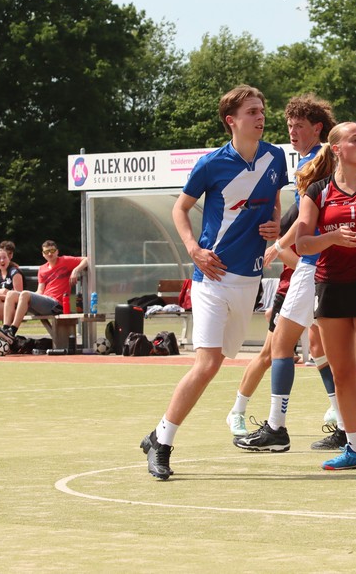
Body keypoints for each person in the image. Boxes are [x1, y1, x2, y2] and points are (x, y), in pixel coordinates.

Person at [141, 84, 288, 480]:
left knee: (219, 361)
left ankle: (156, 436)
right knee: (206, 364)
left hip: (249, 279)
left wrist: (275, 224)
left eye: (262, 110)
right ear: (231, 120)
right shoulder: (210, 164)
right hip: (212, 278)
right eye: (252, 111)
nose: (260, 117)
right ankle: (162, 443)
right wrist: (193, 249)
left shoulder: (275, 157)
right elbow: (180, 209)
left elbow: (274, 201)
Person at [232, 93, 338, 453]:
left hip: (312, 265)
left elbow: (305, 217)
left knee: (281, 346)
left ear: (317, 128)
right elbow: (301, 214)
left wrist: (278, 243)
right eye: (289, 125)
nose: (292, 132)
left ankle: (275, 427)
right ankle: (348, 427)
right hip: (319, 264)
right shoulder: (317, 160)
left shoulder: (319, 160)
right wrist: (280, 233)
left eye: (299, 126)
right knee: (324, 347)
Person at [293, 121, 356, 474]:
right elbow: (302, 244)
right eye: (355, 139)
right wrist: (331, 238)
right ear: (336, 149)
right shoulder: (317, 191)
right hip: (331, 285)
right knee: (343, 373)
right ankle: (354, 447)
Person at [0, 240, 88, 344]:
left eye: (52, 251)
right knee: (11, 294)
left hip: (56, 304)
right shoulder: (42, 269)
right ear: (43, 254)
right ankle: (6, 328)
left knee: (24, 294)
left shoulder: (65, 260)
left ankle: (12, 331)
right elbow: (40, 291)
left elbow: (87, 259)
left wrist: (75, 270)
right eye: (47, 251)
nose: (50, 254)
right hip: (45, 302)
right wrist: (28, 296)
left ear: (57, 252)